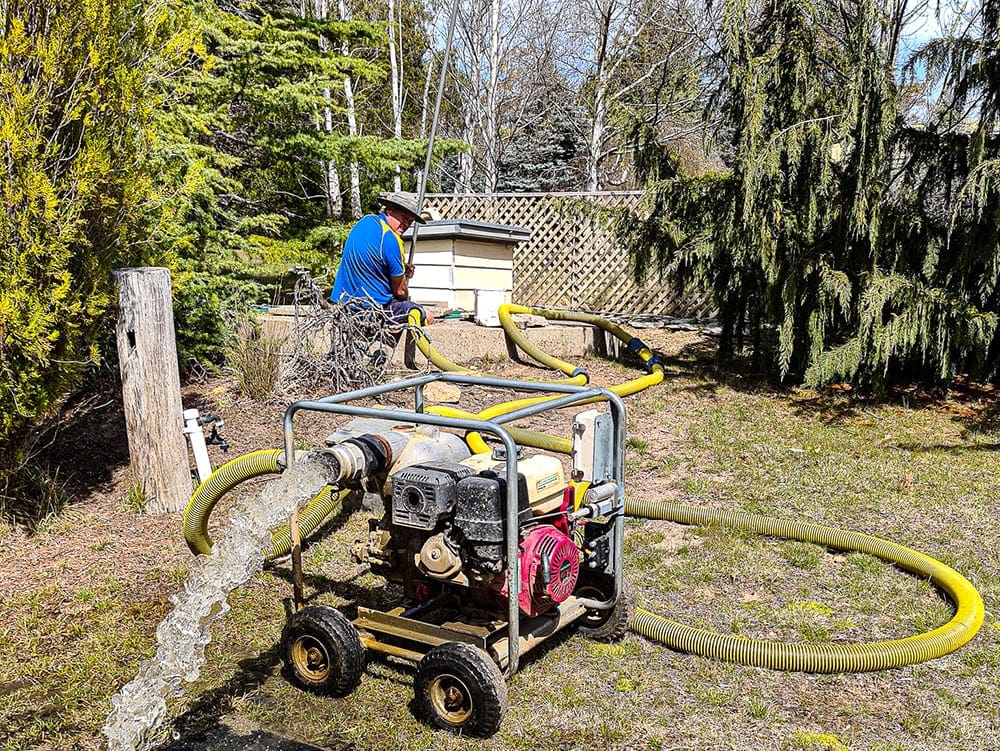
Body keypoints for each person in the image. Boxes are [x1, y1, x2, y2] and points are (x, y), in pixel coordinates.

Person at [330, 191, 433, 326]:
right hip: (373, 310)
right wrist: (405, 290)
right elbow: (400, 292)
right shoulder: (390, 239)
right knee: (428, 315)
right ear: (390, 209)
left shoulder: (365, 222)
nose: (406, 224)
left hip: (344, 304)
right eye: (403, 217)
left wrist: (401, 269)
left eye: (410, 221)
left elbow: (371, 262)